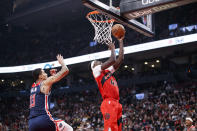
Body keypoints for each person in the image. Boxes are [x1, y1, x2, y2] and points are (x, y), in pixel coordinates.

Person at [89, 36, 125, 131]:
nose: (99, 62)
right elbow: (112, 59)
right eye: (97, 62)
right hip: (108, 102)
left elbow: (120, 59)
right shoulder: (96, 71)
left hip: (116, 102)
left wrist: (120, 42)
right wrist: (112, 49)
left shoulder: (108, 71)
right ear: (94, 66)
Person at [29, 54, 73, 131]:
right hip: (44, 119)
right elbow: (66, 70)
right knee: (69, 129)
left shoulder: (33, 87)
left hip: (32, 123)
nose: (46, 74)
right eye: (44, 72)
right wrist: (62, 62)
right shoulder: (45, 83)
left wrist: (52, 78)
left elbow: (45, 90)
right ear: (40, 76)